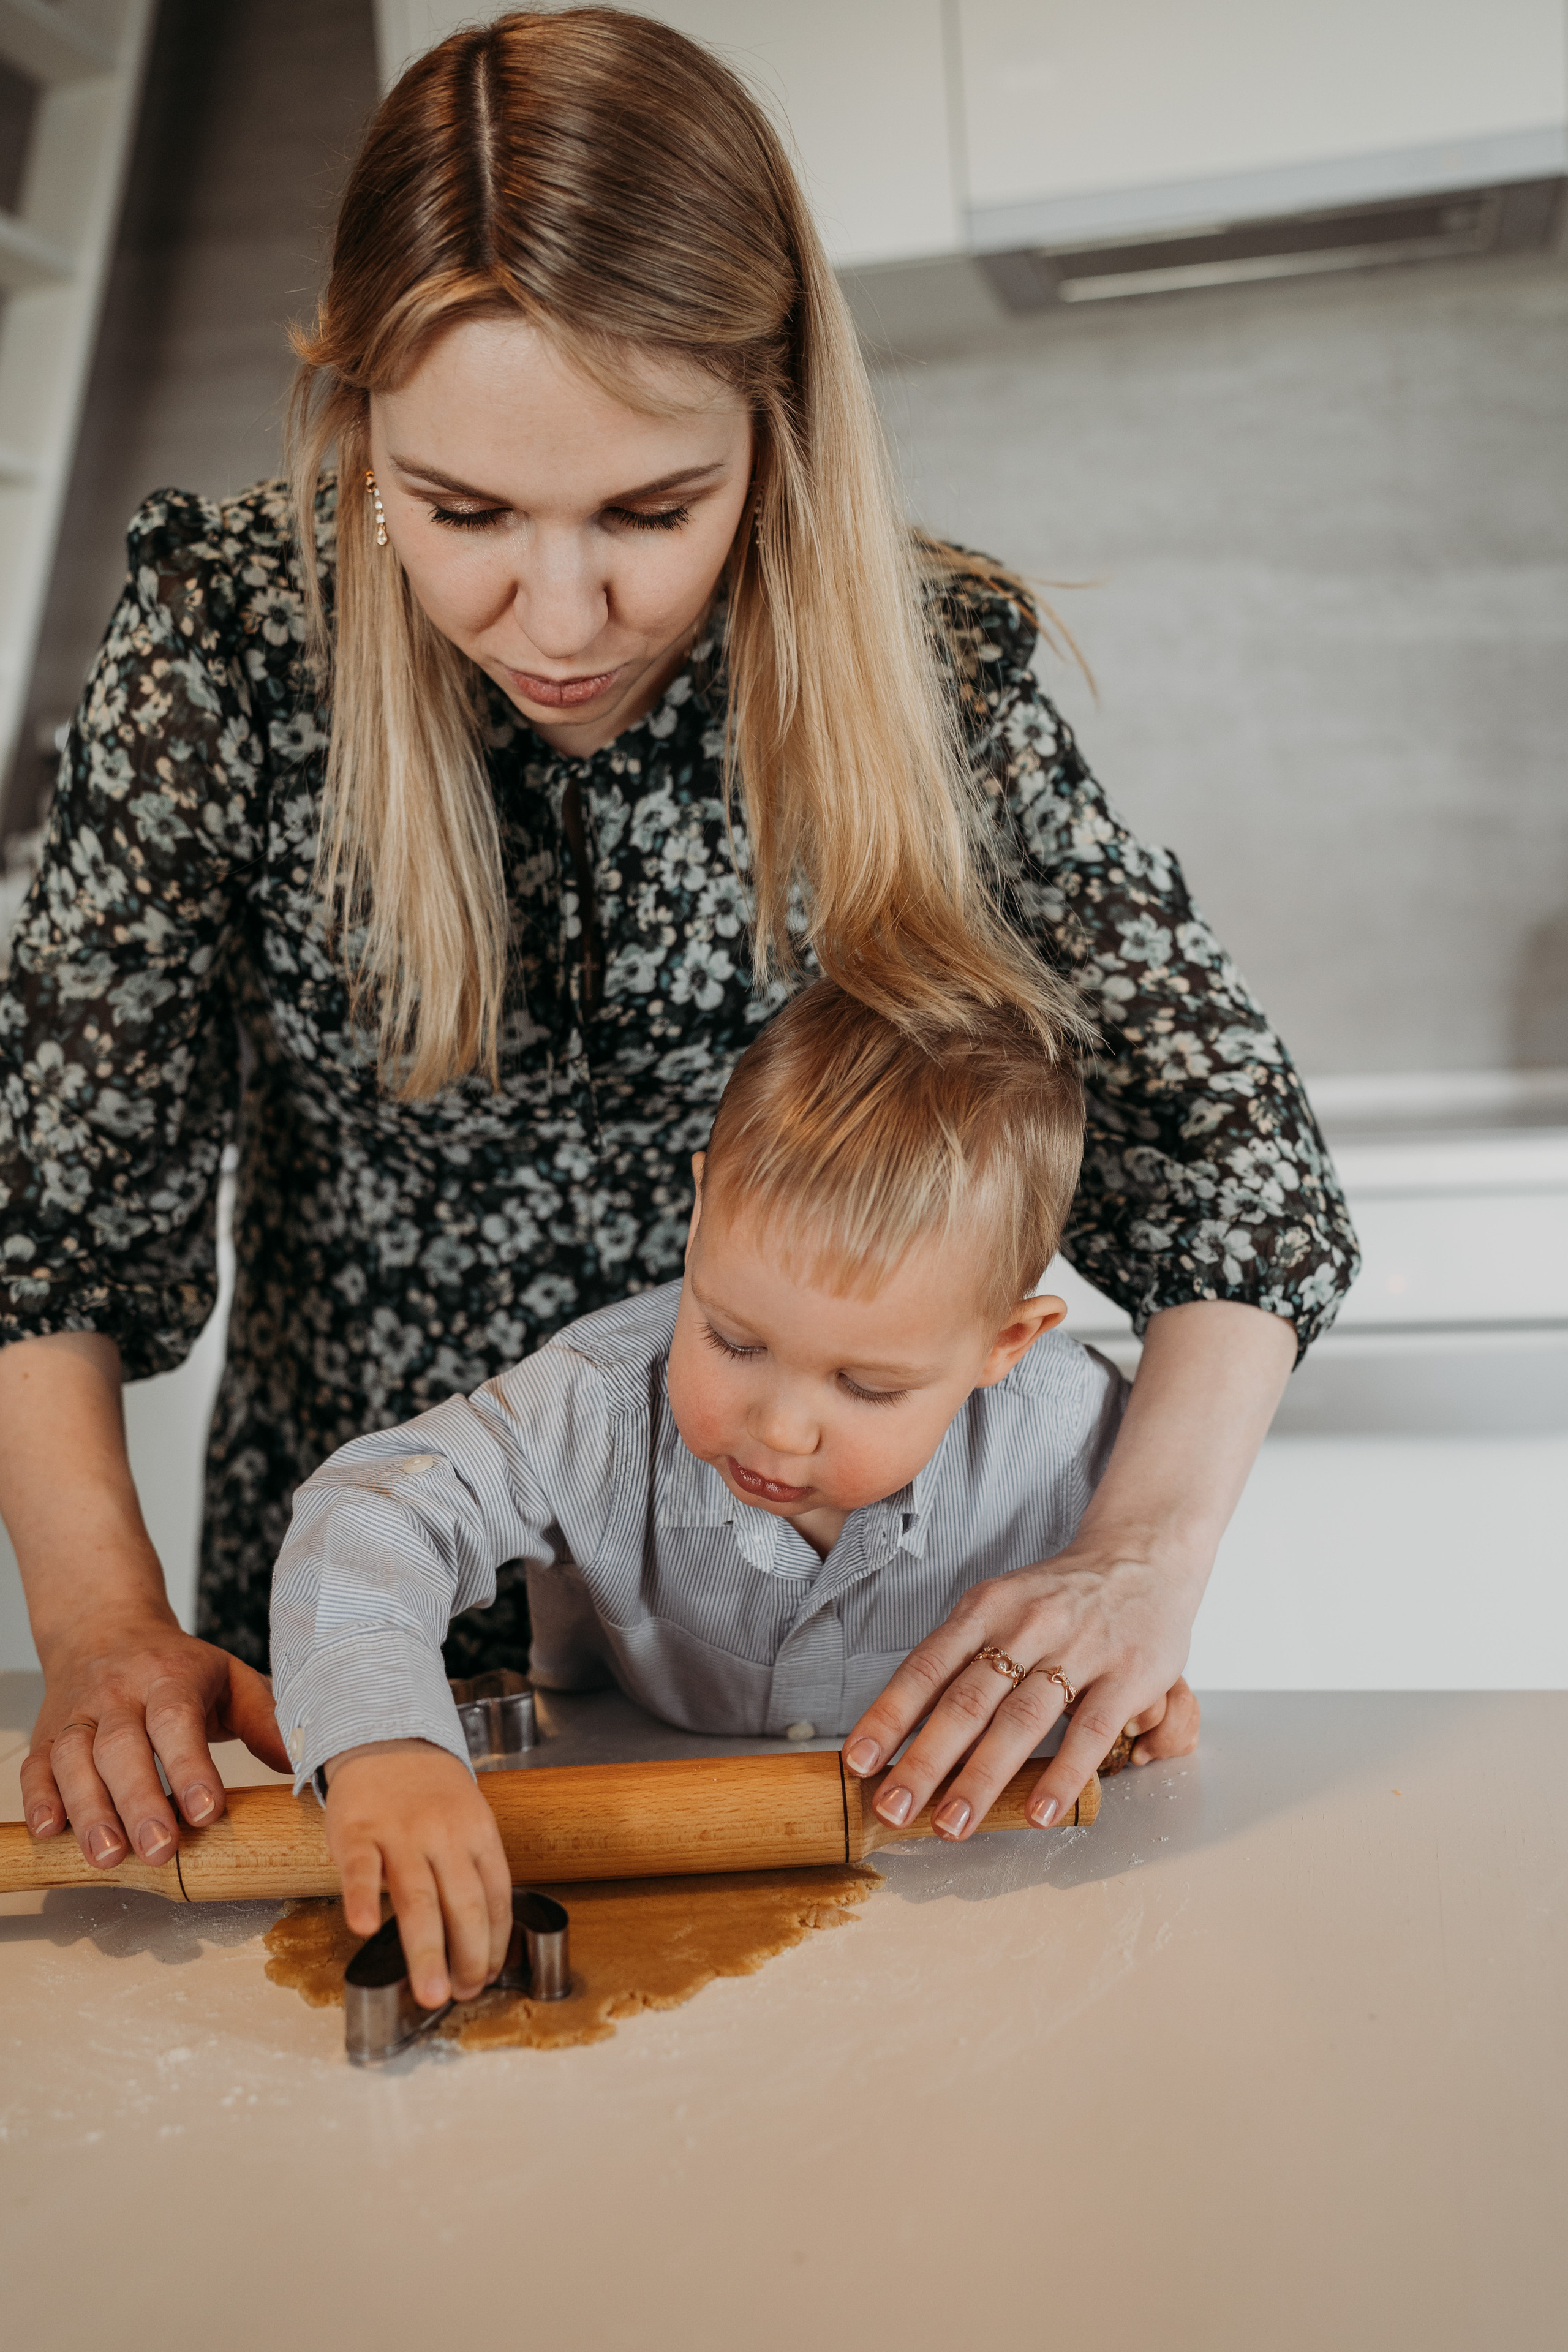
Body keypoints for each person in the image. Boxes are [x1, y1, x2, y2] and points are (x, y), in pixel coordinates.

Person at [0, 9, 1355, 1883]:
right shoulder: (228, 646)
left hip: (802, 1676)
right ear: (354, 421)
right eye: (460, 511)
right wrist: (94, 1630)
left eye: (654, 509)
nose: (560, 614)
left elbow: (1235, 1169)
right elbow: (46, 1219)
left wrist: (1134, 1567)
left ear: (773, 430)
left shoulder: (921, 664)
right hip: (360, 1640)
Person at [274, 982, 1129, 2008]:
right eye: (733, 1339)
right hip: (635, 1851)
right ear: (699, 1212)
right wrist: (385, 1742)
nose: (779, 1429)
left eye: (866, 1387)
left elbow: (1122, 1627)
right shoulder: (595, 1399)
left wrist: (1122, 1685)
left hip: (969, 1927)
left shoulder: (1082, 1433)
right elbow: (376, 1507)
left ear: (1005, 1343)